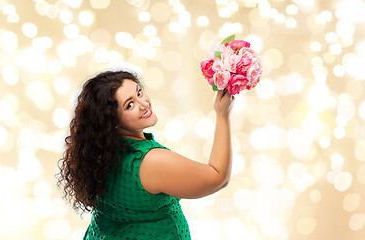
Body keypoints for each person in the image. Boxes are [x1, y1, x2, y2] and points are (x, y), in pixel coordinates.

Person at [57, 70, 235, 239]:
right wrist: (222, 114)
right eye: (130, 105)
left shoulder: (99, 155)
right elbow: (218, 177)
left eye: (139, 92)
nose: (144, 104)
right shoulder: (147, 162)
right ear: (112, 122)